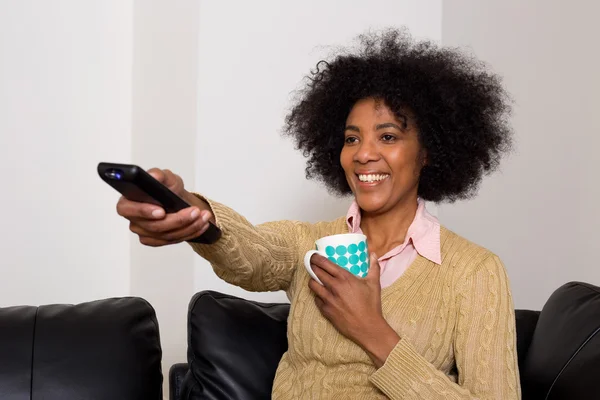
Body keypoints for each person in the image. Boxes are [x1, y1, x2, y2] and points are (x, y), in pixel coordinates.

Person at [117, 28, 520, 399]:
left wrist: (374, 332)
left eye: (388, 136)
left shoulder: (474, 271)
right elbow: (252, 252)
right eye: (351, 138)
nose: (363, 153)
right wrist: (194, 213)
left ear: (430, 151)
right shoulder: (308, 244)